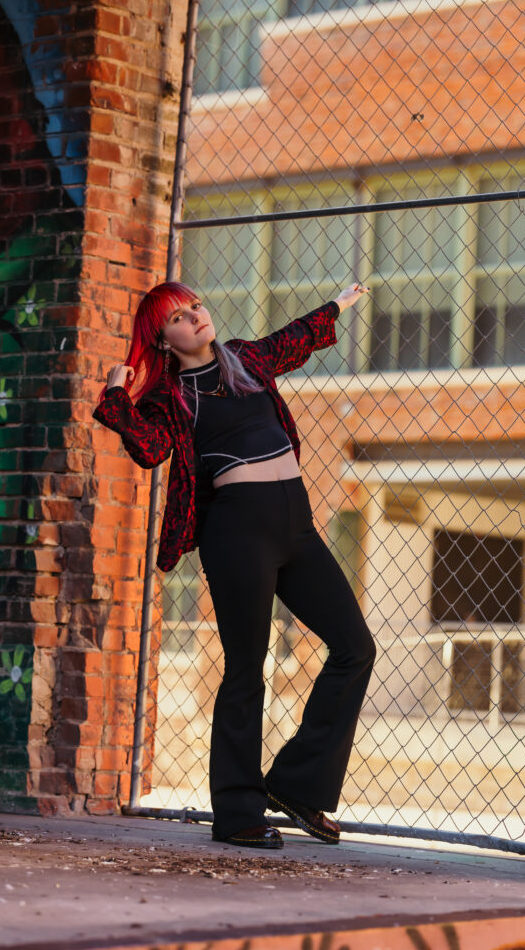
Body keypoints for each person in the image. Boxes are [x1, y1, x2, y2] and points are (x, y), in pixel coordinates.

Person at [93, 280, 376, 850]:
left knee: (355, 647)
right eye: (178, 316)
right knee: (247, 669)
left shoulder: (246, 358)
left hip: (296, 526)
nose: (195, 317)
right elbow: (149, 449)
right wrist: (117, 397)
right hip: (236, 532)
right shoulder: (170, 395)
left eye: (196, 305)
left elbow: (292, 339)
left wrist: (340, 305)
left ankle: (298, 784)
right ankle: (238, 814)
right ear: (162, 338)